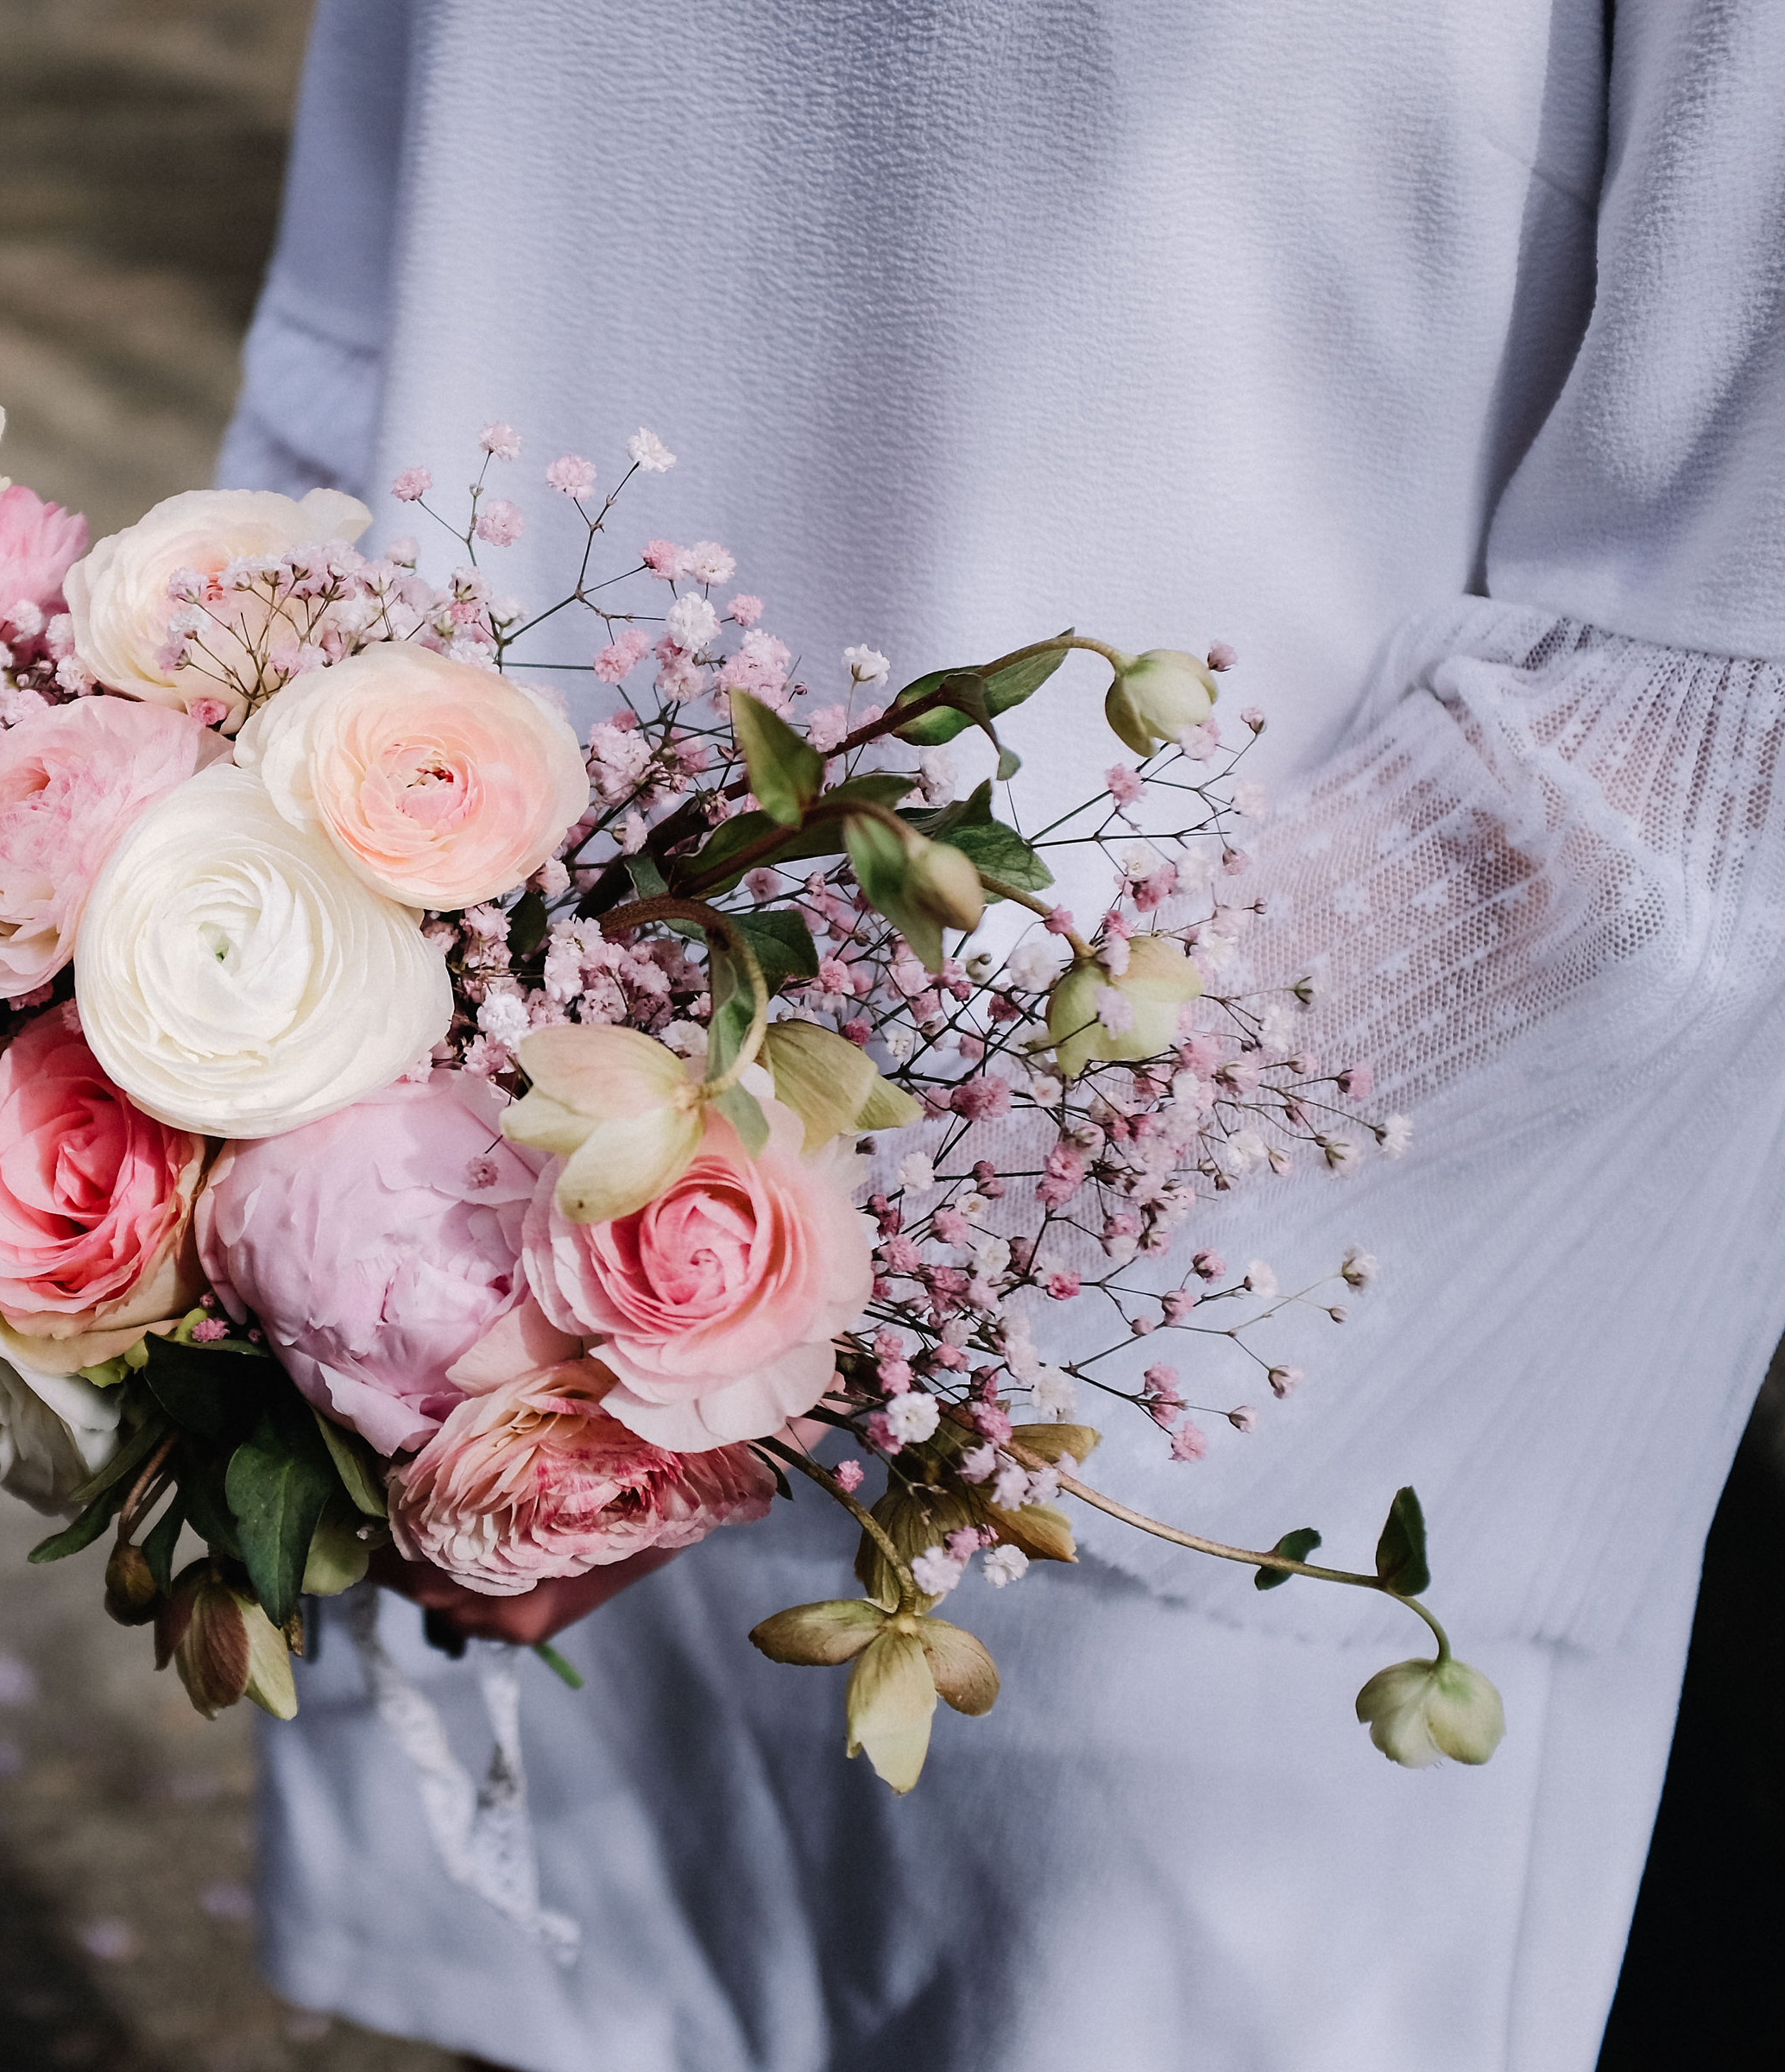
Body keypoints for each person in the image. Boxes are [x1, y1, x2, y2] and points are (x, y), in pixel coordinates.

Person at [212, 5, 1785, 2069]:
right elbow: (348, 383)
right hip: (462, 1271)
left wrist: (787, 1257)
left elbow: (1695, 720)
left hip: (1217, 1431)